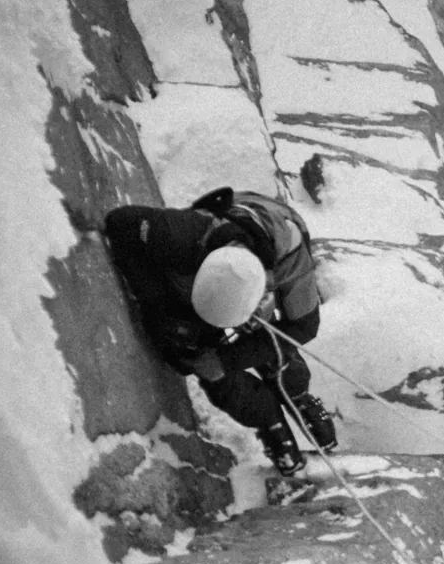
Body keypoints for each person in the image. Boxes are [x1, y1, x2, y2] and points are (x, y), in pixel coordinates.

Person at [103, 187, 335, 474]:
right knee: (196, 359)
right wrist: (156, 302)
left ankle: (295, 390)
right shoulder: (182, 236)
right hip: (193, 273)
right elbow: (120, 222)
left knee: (269, 341)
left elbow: (303, 325)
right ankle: (267, 416)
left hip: (267, 240)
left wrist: (226, 360)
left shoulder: (290, 260)